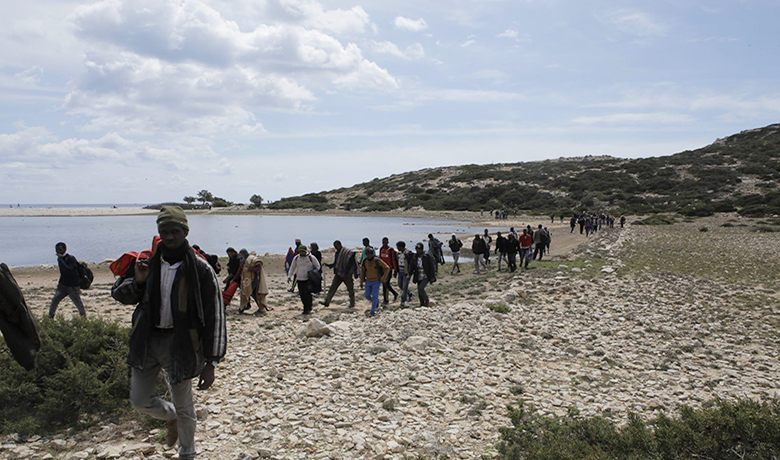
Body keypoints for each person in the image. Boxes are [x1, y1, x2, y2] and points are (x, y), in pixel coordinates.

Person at [111, 206, 226, 459]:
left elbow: (216, 315)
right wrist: (138, 281)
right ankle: (170, 415)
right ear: (159, 232)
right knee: (140, 400)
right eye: (165, 231)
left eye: (175, 231)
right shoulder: (146, 263)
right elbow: (119, 294)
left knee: (185, 404)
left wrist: (211, 361)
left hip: (182, 344)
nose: (170, 236)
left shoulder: (201, 269)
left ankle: (188, 452)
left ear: (185, 231)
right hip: (147, 341)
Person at [49, 242, 87, 318]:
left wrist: (61, 260)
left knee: (78, 303)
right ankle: (50, 317)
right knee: (54, 301)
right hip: (63, 285)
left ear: (64, 249)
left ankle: (83, 318)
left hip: (72, 286)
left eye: (59, 249)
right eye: (56, 250)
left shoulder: (70, 258)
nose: (57, 251)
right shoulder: (61, 259)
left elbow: (69, 270)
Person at [320, 240, 357, 309]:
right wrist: (328, 265)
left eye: (336, 246)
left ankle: (352, 303)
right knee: (333, 288)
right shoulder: (337, 253)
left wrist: (352, 272)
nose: (336, 248)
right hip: (338, 273)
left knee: (350, 289)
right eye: (335, 247)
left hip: (347, 274)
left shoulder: (347, 252)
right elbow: (336, 263)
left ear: (340, 244)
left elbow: (352, 262)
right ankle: (327, 302)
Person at [287, 245, 320, 315]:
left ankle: (309, 308)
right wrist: (289, 276)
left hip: (308, 279)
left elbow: (318, 266)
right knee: (302, 295)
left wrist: (313, 273)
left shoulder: (311, 258)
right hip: (300, 279)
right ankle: (305, 308)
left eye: (303, 252)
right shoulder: (296, 258)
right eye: (300, 252)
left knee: (307, 294)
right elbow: (292, 267)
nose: (302, 253)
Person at [237, 249, 270, 315]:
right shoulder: (243, 261)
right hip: (246, 281)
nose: (240, 257)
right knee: (248, 294)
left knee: (253, 294)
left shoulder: (251, 259)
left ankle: (260, 308)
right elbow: (240, 270)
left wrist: (249, 269)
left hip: (253, 280)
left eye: (241, 255)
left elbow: (258, 267)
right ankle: (258, 308)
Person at [360, 247, 390, 317]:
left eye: (370, 254)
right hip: (368, 281)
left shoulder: (377, 260)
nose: (369, 255)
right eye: (367, 254)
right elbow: (362, 271)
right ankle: (375, 301)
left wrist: (384, 278)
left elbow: (387, 268)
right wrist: (361, 281)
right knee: (367, 295)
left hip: (376, 281)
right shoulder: (365, 261)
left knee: (375, 296)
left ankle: (372, 311)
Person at [409, 243, 436, 307]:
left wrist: (432, 276)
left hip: (425, 275)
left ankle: (426, 300)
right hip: (418, 275)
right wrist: (409, 274)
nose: (417, 250)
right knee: (419, 290)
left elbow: (432, 266)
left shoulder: (427, 256)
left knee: (421, 288)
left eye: (419, 249)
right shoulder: (415, 256)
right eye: (416, 249)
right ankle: (422, 303)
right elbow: (412, 266)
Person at [378, 237, 398, 305]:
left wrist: (395, 270)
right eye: (383, 242)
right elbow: (380, 259)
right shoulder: (381, 249)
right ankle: (394, 294)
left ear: (388, 242)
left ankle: (386, 300)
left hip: (389, 269)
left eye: (385, 242)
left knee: (385, 283)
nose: (384, 243)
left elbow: (393, 260)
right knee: (385, 284)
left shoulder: (390, 250)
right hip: (382, 269)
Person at [395, 241, 414, 307]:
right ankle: (410, 293)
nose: (397, 248)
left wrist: (410, 272)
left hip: (406, 271)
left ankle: (403, 300)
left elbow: (412, 263)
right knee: (400, 285)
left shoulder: (408, 253)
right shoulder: (398, 253)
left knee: (405, 286)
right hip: (400, 271)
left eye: (398, 247)